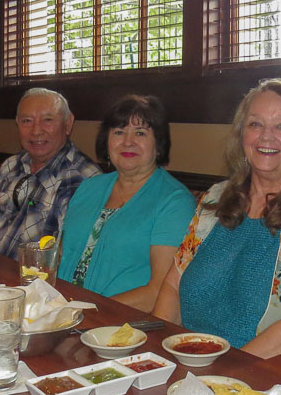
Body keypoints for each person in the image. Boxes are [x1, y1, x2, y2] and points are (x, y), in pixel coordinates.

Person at [153, 78, 281, 358]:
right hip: (187, 361)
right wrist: (156, 353)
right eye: (255, 124)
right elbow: (171, 288)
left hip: (256, 379)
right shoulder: (216, 198)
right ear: (242, 136)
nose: (266, 136)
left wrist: (220, 379)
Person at [57, 95, 195, 311]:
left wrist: (84, 311)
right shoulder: (88, 188)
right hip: (62, 312)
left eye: (140, 133)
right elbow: (61, 258)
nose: (128, 142)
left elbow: (159, 291)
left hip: (123, 326)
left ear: (158, 144)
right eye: (119, 132)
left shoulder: (175, 202)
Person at [0, 88, 101, 258]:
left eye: (48, 120)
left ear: (68, 123)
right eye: (27, 121)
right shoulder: (10, 166)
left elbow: (78, 258)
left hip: (40, 282)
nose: (36, 131)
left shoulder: (85, 179)